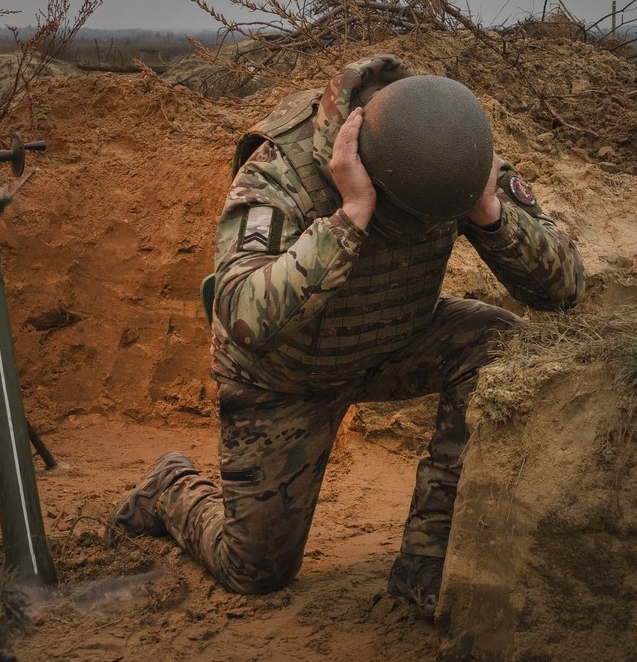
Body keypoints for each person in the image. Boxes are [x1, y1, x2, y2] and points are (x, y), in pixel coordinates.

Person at [110, 54, 585, 619]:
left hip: (392, 340)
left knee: (498, 342)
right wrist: (353, 215)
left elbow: (565, 290)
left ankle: (425, 561)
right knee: (255, 572)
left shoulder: (446, 152)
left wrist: (487, 210)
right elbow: (241, 317)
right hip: (285, 377)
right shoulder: (279, 172)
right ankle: (170, 486)